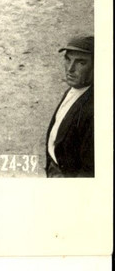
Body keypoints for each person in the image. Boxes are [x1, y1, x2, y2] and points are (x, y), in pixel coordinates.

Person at [45, 35, 94, 178]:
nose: (70, 69)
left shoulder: (94, 110)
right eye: (67, 59)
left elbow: (89, 172)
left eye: (81, 63)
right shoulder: (77, 88)